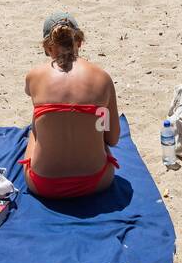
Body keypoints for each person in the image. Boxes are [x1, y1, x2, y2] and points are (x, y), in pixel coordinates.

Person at [19, 13, 120, 198]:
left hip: (43, 184)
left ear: (48, 48)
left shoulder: (34, 76)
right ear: (79, 42)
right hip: (97, 181)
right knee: (100, 116)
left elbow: (29, 92)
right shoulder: (102, 78)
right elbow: (112, 139)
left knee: (37, 121)